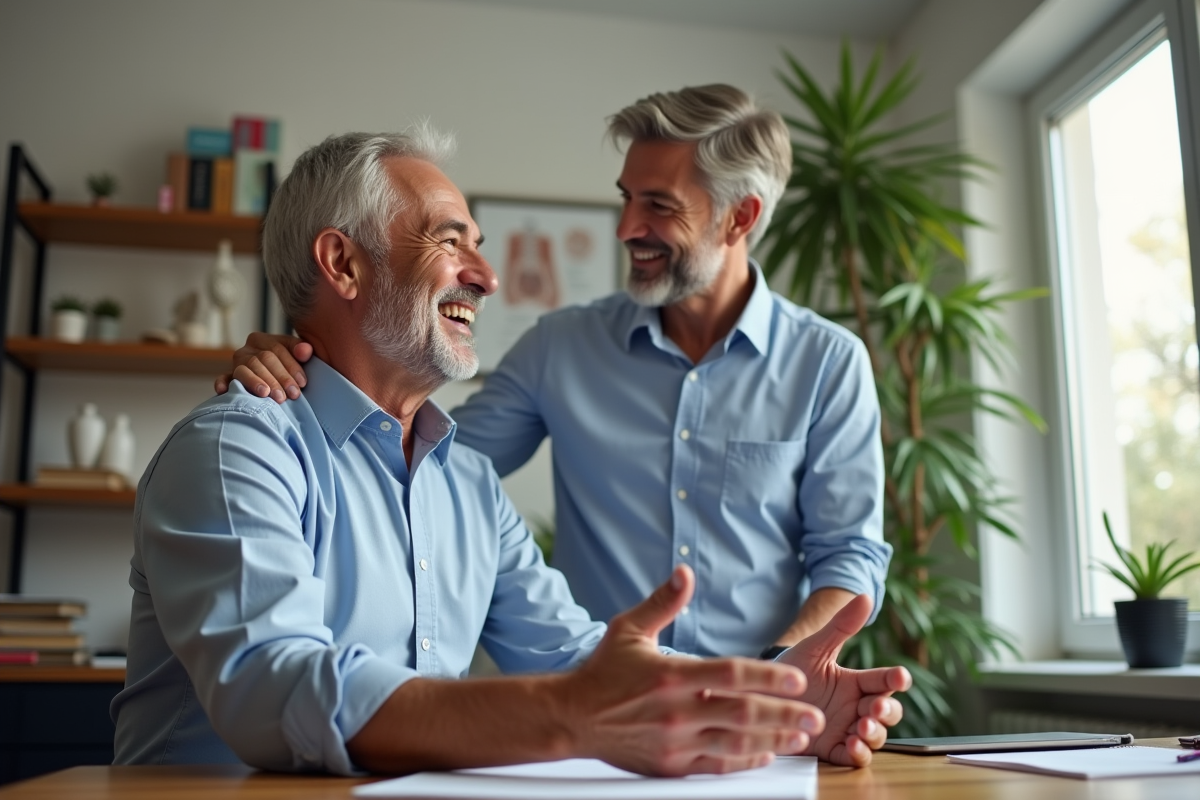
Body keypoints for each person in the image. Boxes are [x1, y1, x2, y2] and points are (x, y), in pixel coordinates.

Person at [114, 129, 909, 775]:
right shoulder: (237, 449)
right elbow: (272, 690)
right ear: (343, 264)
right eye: (450, 240)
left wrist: (767, 707)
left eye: (480, 245)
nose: (488, 277)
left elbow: (575, 658)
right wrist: (572, 716)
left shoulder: (463, 481)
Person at [223, 84, 891, 663]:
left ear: (739, 217)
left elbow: (850, 557)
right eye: (626, 198)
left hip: (763, 702)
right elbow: (425, 461)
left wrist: (775, 678)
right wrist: (313, 364)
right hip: (601, 712)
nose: (626, 228)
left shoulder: (828, 363)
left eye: (659, 206)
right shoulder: (561, 348)